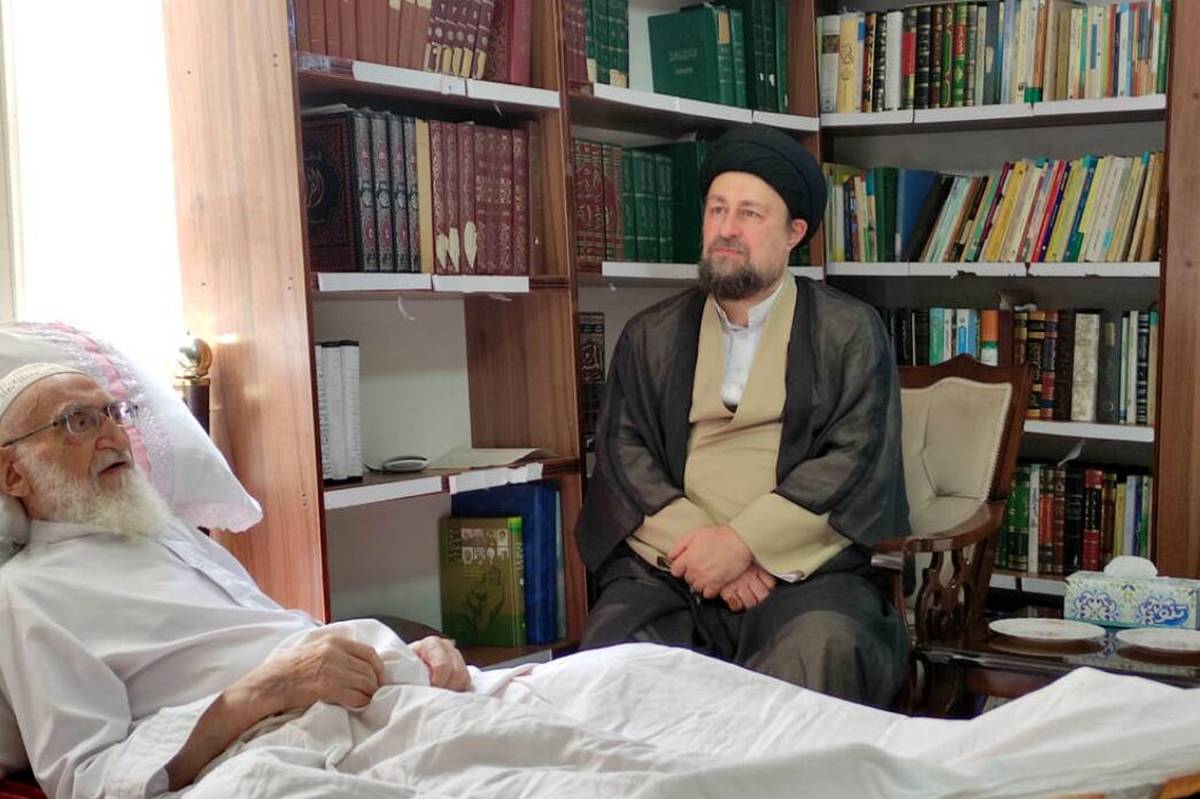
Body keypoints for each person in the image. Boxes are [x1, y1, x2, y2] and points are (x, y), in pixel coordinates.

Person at [0, 364, 470, 798]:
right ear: (12, 474)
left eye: (114, 414)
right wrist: (262, 693)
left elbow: (278, 638)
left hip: (371, 702)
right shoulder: (26, 594)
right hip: (270, 753)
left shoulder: (170, 534)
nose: (114, 436)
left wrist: (413, 654)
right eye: (79, 421)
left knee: (514, 709)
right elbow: (90, 778)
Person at [576, 124, 911, 707]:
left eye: (750, 214)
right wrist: (707, 555)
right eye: (717, 210)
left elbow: (854, 460)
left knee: (820, 651)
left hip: (805, 572)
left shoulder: (849, 331)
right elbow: (625, 458)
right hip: (673, 568)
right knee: (615, 663)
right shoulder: (650, 334)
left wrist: (744, 545)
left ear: (794, 233)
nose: (727, 229)